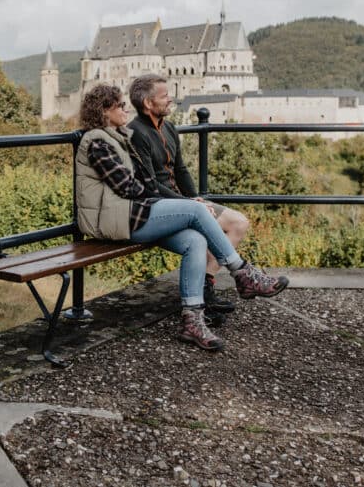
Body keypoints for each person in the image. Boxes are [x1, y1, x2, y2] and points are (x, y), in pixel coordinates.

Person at [75, 83, 288, 351]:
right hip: (115, 221)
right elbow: (128, 187)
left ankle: (192, 321)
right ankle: (243, 273)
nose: (125, 109)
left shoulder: (118, 136)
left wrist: (154, 190)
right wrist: (162, 194)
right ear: (104, 111)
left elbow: (145, 183)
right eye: (120, 105)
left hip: (130, 214)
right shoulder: (97, 141)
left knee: (195, 241)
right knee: (196, 210)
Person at [128, 74, 249, 320]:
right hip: (160, 206)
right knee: (202, 235)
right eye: (165, 96)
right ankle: (236, 279)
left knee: (239, 223)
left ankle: (206, 287)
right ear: (148, 103)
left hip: (185, 203)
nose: (171, 99)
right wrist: (190, 203)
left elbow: (181, 170)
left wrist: (196, 198)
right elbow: (150, 185)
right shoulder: (136, 132)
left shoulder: (169, 127)